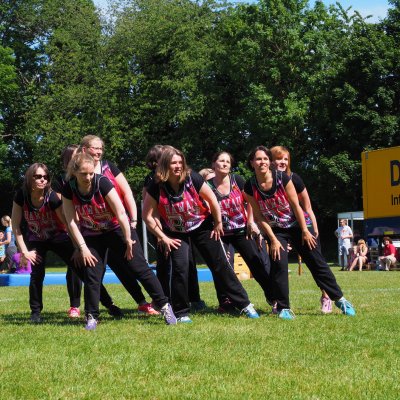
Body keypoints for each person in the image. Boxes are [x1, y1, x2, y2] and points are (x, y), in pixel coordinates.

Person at [142, 146, 259, 323]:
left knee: (220, 264)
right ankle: (181, 312)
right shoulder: (156, 185)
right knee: (180, 268)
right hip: (175, 231)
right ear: (165, 165)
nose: (178, 166)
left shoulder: (192, 178)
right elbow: (147, 216)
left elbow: (212, 199)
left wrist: (218, 223)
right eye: (173, 163)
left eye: (180, 162)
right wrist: (163, 237)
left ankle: (245, 304)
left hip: (202, 225)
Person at [62, 152, 176, 329]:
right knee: (92, 274)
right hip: (92, 234)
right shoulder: (69, 188)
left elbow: (121, 213)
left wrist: (128, 239)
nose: (88, 177)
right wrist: (82, 247)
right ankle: (91, 316)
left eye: (91, 173)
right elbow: (71, 222)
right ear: (74, 172)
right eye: (83, 174)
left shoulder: (102, 182)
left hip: (117, 230)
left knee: (139, 268)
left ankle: (164, 306)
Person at [244, 146, 356, 319]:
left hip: (298, 224)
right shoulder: (250, 186)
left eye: (265, 159)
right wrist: (273, 239)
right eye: (258, 159)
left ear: (269, 161)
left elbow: (297, 206)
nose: (262, 162)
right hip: (276, 229)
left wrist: (305, 230)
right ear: (252, 163)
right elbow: (259, 217)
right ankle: (283, 308)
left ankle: (340, 300)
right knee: (278, 264)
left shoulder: (282, 178)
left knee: (316, 262)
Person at [79, 135, 159, 315]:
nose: (99, 151)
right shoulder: (78, 172)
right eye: (94, 148)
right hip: (94, 233)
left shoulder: (109, 167)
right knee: (109, 270)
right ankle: (132, 304)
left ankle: (159, 302)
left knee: (137, 265)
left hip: (118, 226)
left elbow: (127, 193)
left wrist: (133, 220)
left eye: (101, 148)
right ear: (84, 149)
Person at [52, 144, 122, 318]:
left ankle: (108, 304)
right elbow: (68, 217)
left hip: (90, 231)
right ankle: (75, 305)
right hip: (71, 232)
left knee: (93, 271)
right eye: (74, 157)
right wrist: (77, 247)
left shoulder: (92, 178)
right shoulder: (62, 182)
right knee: (77, 268)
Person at [11, 163, 81, 323]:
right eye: (38, 176)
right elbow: (15, 226)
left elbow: (67, 224)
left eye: (45, 177)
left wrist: (77, 248)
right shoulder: (21, 196)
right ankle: (35, 312)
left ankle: (104, 304)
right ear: (30, 178)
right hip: (37, 238)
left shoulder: (52, 197)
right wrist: (24, 251)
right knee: (37, 274)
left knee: (80, 268)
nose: (42, 179)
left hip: (58, 236)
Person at [207, 151, 273, 311]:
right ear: (214, 164)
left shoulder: (237, 180)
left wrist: (251, 221)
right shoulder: (206, 185)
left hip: (242, 230)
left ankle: (274, 298)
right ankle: (226, 302)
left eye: (227, 162)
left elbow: (250, 200)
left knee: (256, 264)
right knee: (222, 267)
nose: (224, 164)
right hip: (220, 233)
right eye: (221, 161)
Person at [270, 145, 333, 314]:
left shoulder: (294, 178)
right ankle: (279, 302)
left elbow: (307, 207)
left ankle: (326, 296)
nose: (283, 162)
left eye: (286, 159)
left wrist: (314, 229)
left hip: (302, 225)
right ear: (271, 161)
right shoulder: (264, 182)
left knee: (316, 263)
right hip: (280, 227)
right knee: (277, 264)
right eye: (279, 158)